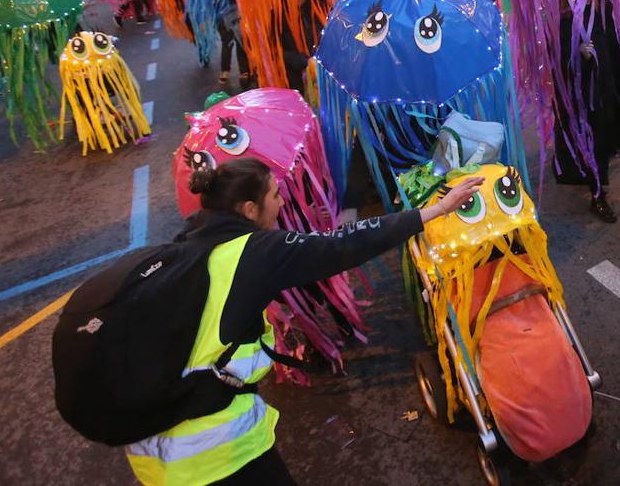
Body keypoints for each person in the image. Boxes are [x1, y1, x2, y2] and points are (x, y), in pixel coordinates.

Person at [123, 157, 484, 485]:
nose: (282, 203)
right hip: (213, 453)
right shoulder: (256, 252)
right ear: (250, 209)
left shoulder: (189, 240)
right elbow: (344, 244)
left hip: (154, 452)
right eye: (275, 195)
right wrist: (435, 211)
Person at [553, 0, 620, 223]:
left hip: (606, 87)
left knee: (604, 138)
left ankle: (597, 179)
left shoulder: (605, 7)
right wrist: (576, 54)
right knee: (591, 141)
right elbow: (556, 55)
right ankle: (597, 194)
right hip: (582, 95)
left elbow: (615, 47)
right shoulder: (565, 12)